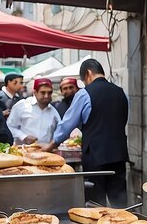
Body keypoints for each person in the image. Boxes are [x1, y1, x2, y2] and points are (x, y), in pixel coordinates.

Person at [41, 58, 129, 207]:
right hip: (119, 155)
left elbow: (67, 125)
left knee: (95, 204)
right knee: (119, 204)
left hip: (95, 156)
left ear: (88, 73)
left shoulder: (84, 94)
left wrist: (50, 146)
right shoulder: (121, 93)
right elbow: (122, 119)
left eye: (83, 80)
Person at [7, 77, 60, 144]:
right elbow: (10, 127)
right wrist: (24, 137)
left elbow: (58, 132)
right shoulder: (22, 106)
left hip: (45, 152)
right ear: (35, 92)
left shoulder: (53, 112)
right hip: (22, 151)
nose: (46, 96)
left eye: (49, 93)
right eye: (43, 93)